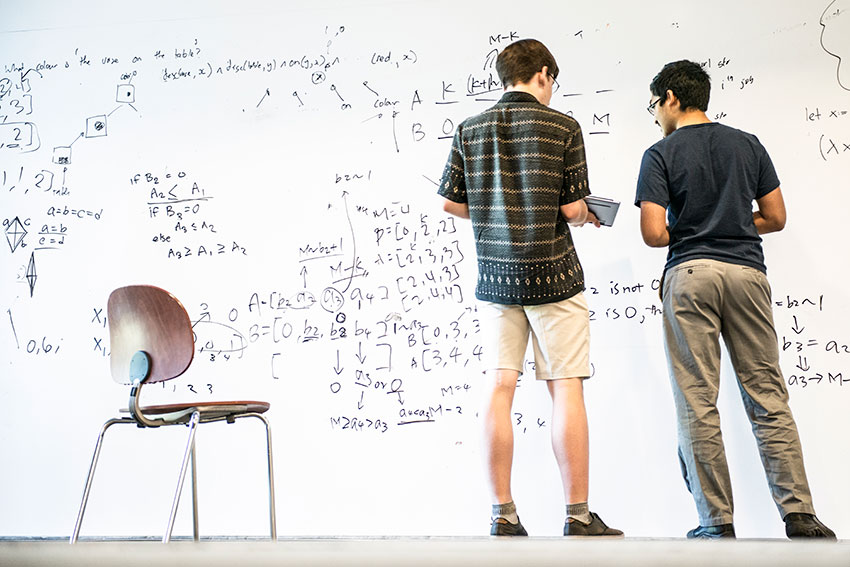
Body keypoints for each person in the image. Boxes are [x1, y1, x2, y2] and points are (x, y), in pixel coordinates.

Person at [635, 60, 836, 540]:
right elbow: (775, 216)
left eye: (654, 105)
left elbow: (652, 233)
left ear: (670, 98)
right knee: (768, 395)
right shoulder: (748, 144)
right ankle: (800, 514)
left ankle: (715, 522)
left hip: (690, 275)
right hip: (747, 274)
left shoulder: (659, 153)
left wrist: (694, 226)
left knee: (697, 401)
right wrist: (732, 223)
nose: (655, 115)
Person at [437, 38, 621, 538]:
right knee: (566, 389)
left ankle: (503, 514)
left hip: (496, 278)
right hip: (554, 274)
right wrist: (586, 215)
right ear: (542, 73)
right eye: (553, 80)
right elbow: (569, 208)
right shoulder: (563, 126)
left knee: (500, 388)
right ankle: (578, 517)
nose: (552, 89)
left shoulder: (469, 129)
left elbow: (451, 203)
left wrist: (500, 212)